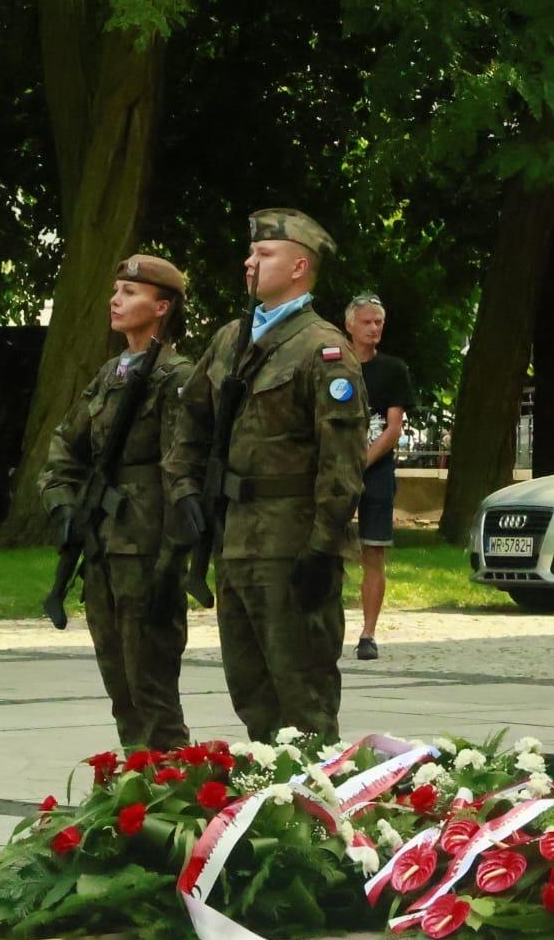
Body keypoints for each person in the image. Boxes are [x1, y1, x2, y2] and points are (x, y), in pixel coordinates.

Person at [166, 208, 365, 744]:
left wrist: (323, 548)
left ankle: (316, 812)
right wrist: (184, 487)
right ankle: (269, 805)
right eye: (251, 252)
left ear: (300, 267)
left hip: (291, 542)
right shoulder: (231, 340)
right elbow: (190, 420)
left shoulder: (323, 350)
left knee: (303, 693)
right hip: (236, 540)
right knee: (250, 687)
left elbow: (341, 462)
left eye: (265, 254)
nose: (250, 262)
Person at [39, 254, 195, 751]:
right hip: (104, 546)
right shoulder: (111, 373)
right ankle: (133, 792)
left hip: (147, 550)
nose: (115, 299)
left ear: (162, 306)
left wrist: (173, 557)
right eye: (115, 290)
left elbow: (183, 468)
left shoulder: (176, 377)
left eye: (130, 293)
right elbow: (66, 442)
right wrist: (63, 506)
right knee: (120, 689)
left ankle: (170, 795)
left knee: (152, 689)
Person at [344, 292, 412, 661]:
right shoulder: (332, 363)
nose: (374, 328)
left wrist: (361, 463)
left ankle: (368, 634)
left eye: (379, 323)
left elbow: (393, 427)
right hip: (332, 471)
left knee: (374, 551)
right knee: (323, 548)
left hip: (376, 471)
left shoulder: (392, 369)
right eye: (367, 322)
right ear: (349, 325)